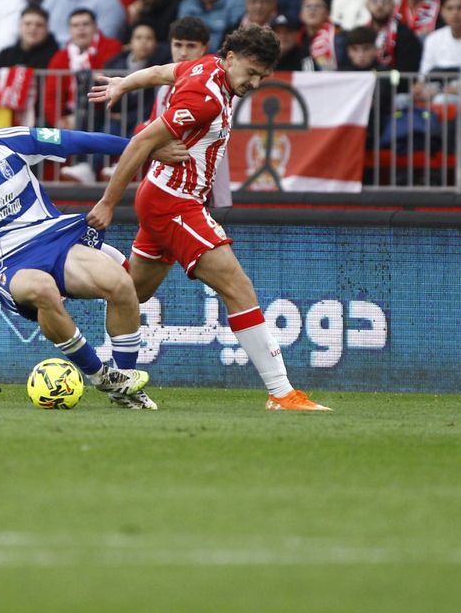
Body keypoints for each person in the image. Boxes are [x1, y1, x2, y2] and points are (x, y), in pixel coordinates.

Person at [85, 25, 329, 411]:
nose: (254, 83)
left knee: (131, 291)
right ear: (231, 58)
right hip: (175, 202)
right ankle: (282, 393)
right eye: (250, 72)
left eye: (262, 77)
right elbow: (141, 142)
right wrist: (108, 203)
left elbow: (162, 71)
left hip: (163, 195)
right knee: (238, 286)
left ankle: (75, 276)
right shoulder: (206, 97)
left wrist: (122, 85)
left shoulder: (205, 67)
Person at [0, 92, 158, 409]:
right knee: (43, 289)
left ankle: (124, 388)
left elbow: (76, 141)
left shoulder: (9, 141)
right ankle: (100, 375)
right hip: (8, 263)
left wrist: (144, 148)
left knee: (121, 285)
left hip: (52, 236)